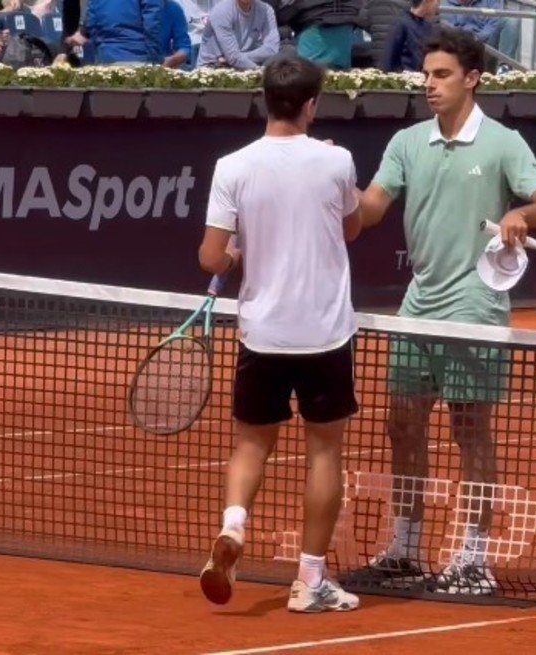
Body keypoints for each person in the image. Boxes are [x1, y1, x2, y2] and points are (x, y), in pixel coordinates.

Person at [354, 27, 536, 595]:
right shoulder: (406, 143)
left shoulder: (503, 143)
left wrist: (523, 213)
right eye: (426, 75)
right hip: (419, 301)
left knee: (470, 428)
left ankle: (474, 559)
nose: (430, 85)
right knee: (402, 423)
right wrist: (328, 199)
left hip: (475, 301)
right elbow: (370, 208)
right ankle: (404, 549)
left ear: (472, 78)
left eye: (442, 75)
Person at [197, 54, 362, 613]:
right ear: (312, 104)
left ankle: (235, 528)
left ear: (265, 100)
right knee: (324, 452)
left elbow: (210, 257)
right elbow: (353, 227)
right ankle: (310, 581)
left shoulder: (232, 166)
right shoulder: (337, 162)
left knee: (250, 444)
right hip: (324, 334)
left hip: (261, 335)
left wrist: (238, 251)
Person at [67, 0, 164, 64]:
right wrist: (155, 60)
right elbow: (152, 23)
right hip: (137, 57)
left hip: (105, 57)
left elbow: (92, 20)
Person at [196, 0, 279, 70]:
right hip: (213, 67)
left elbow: (272, 49)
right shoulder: (222, 11)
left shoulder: (266, 10)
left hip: (241, 64)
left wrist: (242, 57)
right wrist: (258, 71)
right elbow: (233, 58)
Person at [382, 0, 438, 73]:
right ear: (427, 1)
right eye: (437, 1)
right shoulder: (401, 24)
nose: (437, 7)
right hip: (404, 78)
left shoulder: (428, 27)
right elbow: (389, 57)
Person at [161, 0, 192, 68]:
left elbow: (184, 47)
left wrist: (172, 60)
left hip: (161, 66)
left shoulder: (172, 8)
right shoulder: (132, 9)